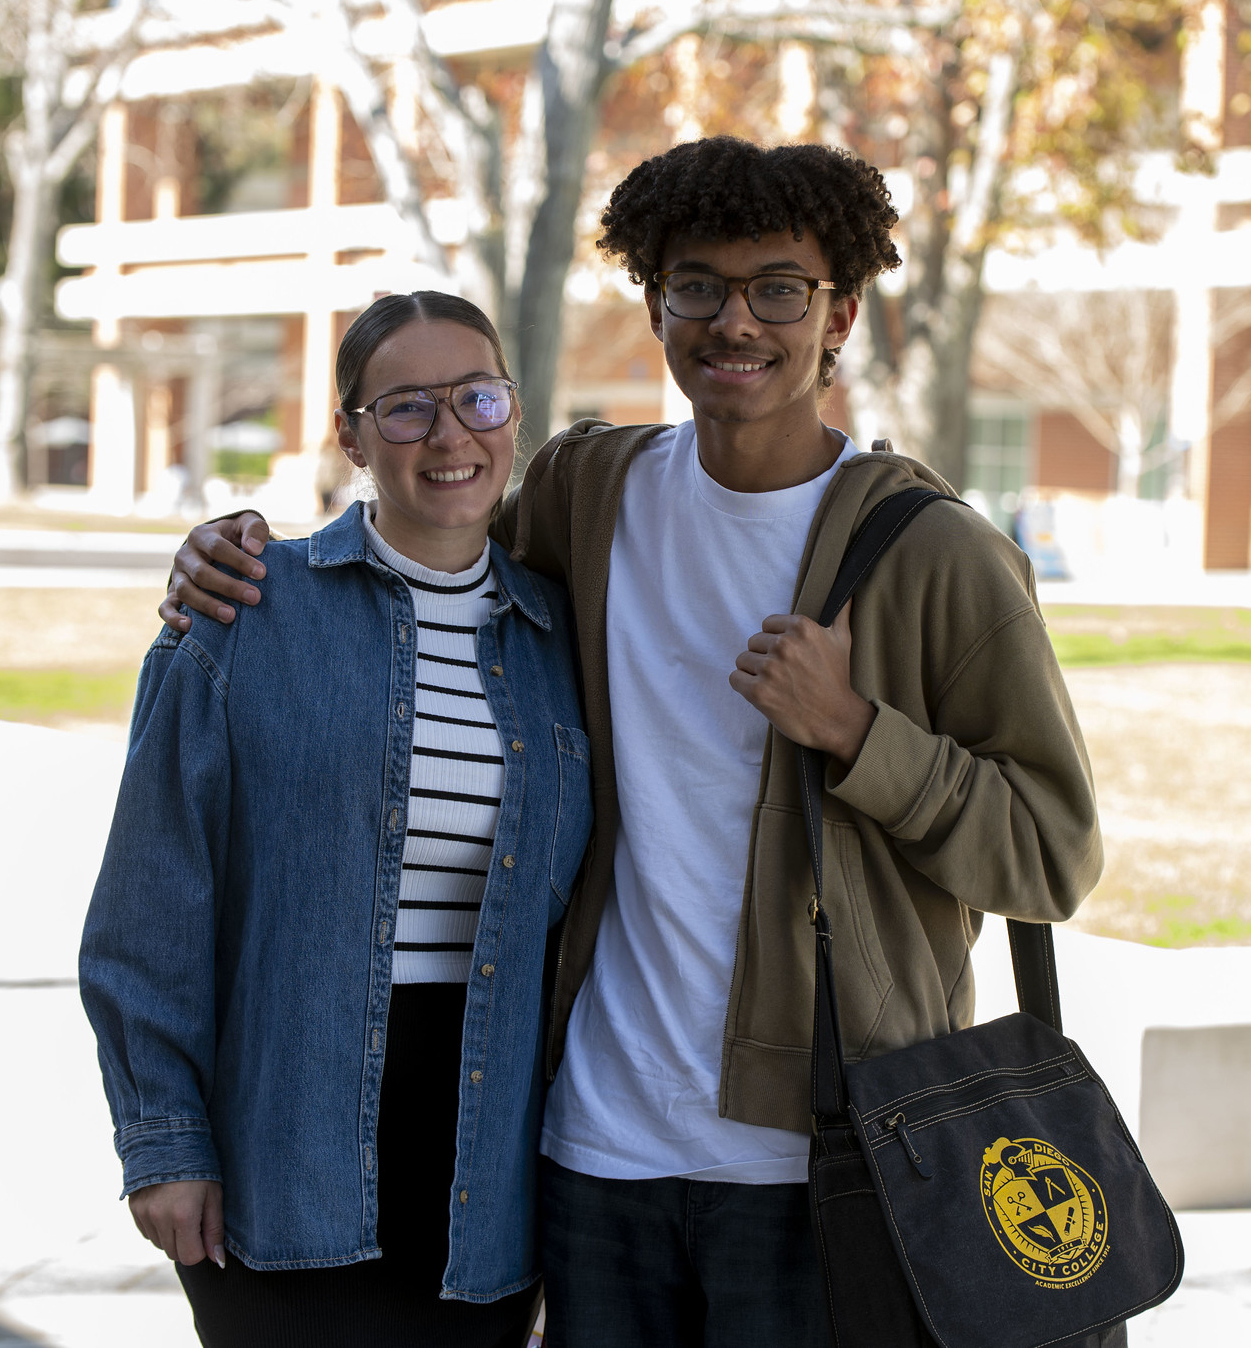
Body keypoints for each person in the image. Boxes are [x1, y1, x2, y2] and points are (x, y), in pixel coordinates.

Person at [159, 137, 1117, 1348]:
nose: (736, 320)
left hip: (821, 1157)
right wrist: (244, 559)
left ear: (842, 314)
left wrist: (861, 733)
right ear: (655, 301)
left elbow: (1055, 855)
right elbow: (432, 536)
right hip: (594, 1153)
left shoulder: (935, 556)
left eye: (780, 287)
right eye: (697, 285)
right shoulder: (588, 495)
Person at [81, 291, 592, 1348]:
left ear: (514, 413)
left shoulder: (562, 643)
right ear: (350, 434)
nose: (449, 434)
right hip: (285, 1152)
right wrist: (165, 1142)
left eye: (476, 398)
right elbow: (149, 904)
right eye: (406, 408)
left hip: (488, 1179)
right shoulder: (248, 613)